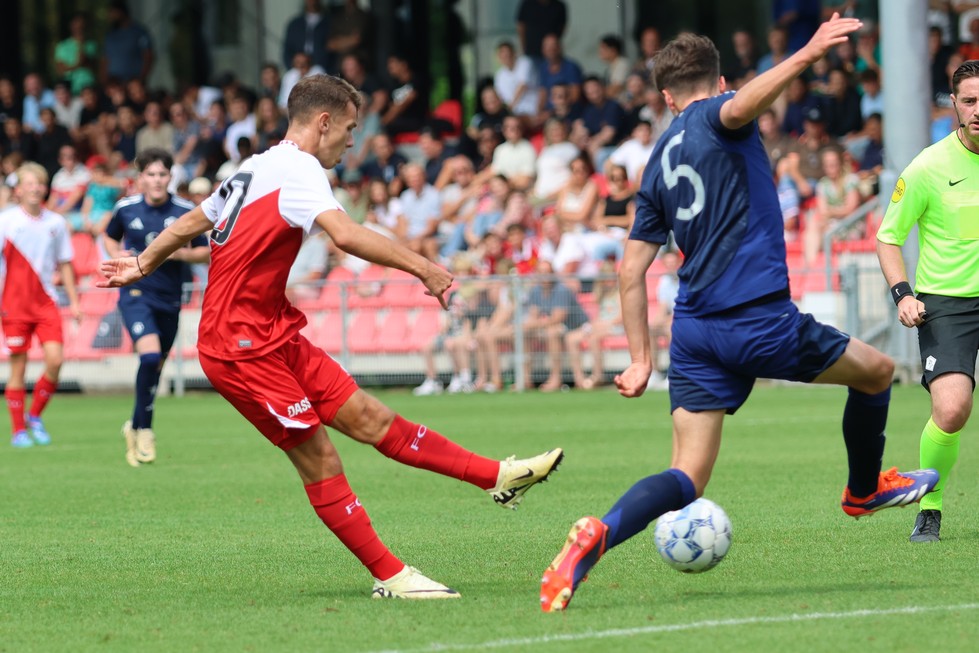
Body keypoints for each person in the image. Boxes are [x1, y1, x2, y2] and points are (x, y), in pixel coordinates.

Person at [98, 74, 563, 598]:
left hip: (273, 330)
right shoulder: (298, 170)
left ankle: (496, 477)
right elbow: (345, 234)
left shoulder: (255, 168)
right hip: (238, 348)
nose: (351, 139)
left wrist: (141, 262)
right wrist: (424, 268)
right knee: (320, 457)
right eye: (349, 128)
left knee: (371, 416)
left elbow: (189, 224)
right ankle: (390, 575)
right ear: (323, 122)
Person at [539, 15, 939, 613]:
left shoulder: (656, 161)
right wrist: (805, 54)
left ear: (665, 95)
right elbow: (739, 105)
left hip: (694, 331)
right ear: (719, 82)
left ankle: (596, 536)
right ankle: (862, 490)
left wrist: (640, 360)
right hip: (755, 319)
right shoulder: (719, 112)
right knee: (878, 372)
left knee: (686, 477)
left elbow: (628, 272)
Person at [876, 59, 979, 543]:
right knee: (953, 409)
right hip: (948, 303)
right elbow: (887, 237)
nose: (978, 109)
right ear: (955, 105)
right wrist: (903, 295)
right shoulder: (928, 166)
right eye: (970, 100)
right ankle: (930, 507)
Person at [101, 149, 209, 467]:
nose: (157, 180)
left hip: (170, 297)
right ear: (140, 179)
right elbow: (109, 238)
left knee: (155, 367)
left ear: (170, 177)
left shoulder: (186, 210)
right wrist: (120, 257)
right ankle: (145, 429)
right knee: (149, 355)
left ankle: (134, 426)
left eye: (163, 174)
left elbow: (203, 253)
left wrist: (176, 254)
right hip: (135, 292)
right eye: (151, 174)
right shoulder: (126, 208)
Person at [1, 163, 81, 447]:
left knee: (56, 361)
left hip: (46, 303)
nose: (35, 188)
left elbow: (66, 263)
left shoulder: (56, 223)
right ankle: (18, 430)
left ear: (45, 188)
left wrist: (73, 301)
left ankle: (34, 415)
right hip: (14, 305)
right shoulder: (6, 221)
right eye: (29, 183)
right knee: (18, 369)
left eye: (40, 183)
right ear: (19, 189)